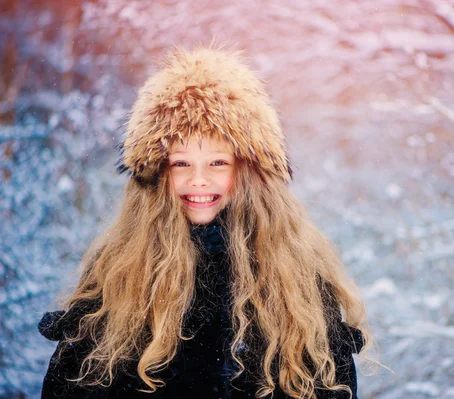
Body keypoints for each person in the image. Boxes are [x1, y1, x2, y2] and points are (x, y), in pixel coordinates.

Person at [38, 46, 369, 399]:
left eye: (217, 164)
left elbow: (334, 384)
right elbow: (70, 385)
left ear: (246, 172)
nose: (198, 180)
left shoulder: (297, 280)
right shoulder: (118, 273)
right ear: (158, 172)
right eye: (181, 164)